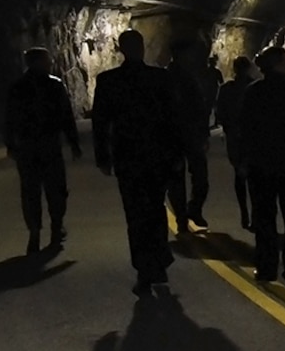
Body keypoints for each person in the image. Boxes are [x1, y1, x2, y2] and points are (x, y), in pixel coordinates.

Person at [91, 30, 184, 295]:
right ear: (142, 48)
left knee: (135, 215)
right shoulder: (159, 78)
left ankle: (145, 269)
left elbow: (101, 123)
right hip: (157, 157)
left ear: (121, 49)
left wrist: (103, 157)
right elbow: (172, 120)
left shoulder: (109, 81)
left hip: (128, 157)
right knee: (155, 210)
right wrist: (177, 154)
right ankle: (159, 261)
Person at [238, 47, 285, 284]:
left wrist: (245, 159)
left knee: (264, 219)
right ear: (279, 65)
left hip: (262, 166)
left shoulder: (254, 93)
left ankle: (266, 267)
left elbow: (245, 129)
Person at [2, 46, 82, 254]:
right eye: (46, 61)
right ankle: (54, 227)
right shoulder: (54, 86)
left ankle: (36, 232)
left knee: (31, 191)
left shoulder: (17, 87)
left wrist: (10, 144)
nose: (50, 64)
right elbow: (66, 116)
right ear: (37, 62)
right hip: (47, 145)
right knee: (55, 189)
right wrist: (73, 142)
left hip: (28, 148)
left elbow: (9, 119)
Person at [164, 39, 212, 235]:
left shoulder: (192, 76)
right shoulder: (167, 78)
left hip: (191, 134)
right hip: (175, 136)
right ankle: (183, 218)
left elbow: (200, 107)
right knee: (177, 180)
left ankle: (193, 209)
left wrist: (204, 132)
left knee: (200, 178)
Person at [213, 55, 256, 230]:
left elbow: (220, 112)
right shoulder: (255, 88)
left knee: (239, 174)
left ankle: (244, 211)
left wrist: (228, 126)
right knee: (254, 176)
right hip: (253, 136)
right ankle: (254, 213)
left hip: (234, 136)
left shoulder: (226, 89)